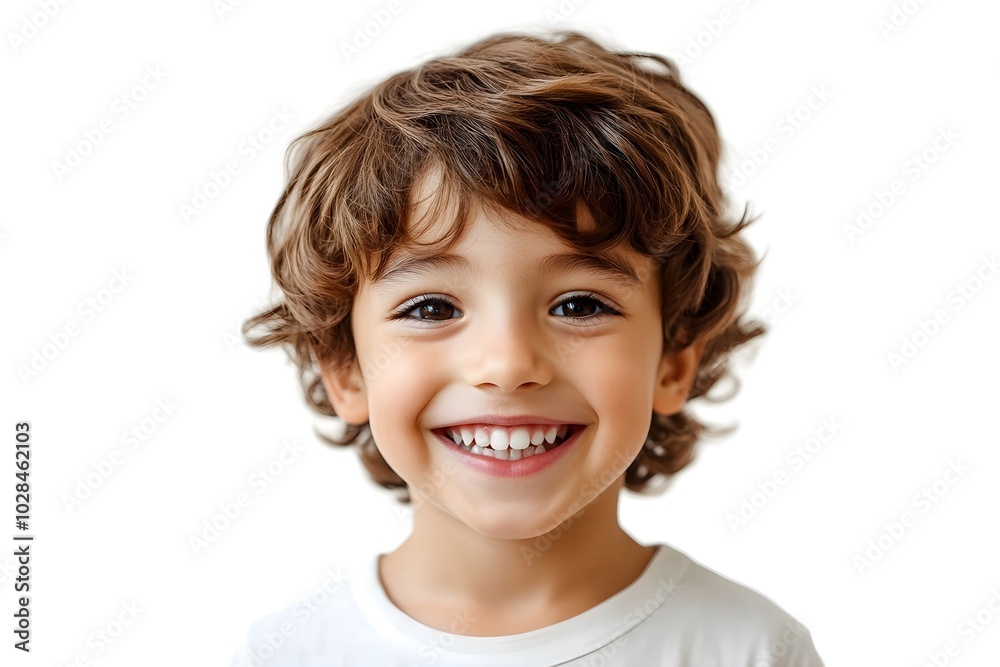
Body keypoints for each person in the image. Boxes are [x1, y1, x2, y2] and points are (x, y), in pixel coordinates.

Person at [235, 29, 825, 666]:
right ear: (346, 369)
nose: (509, 365)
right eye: (432, 308)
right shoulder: (288, 653)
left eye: (579, 305)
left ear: (674, 359)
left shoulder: (752, 650)